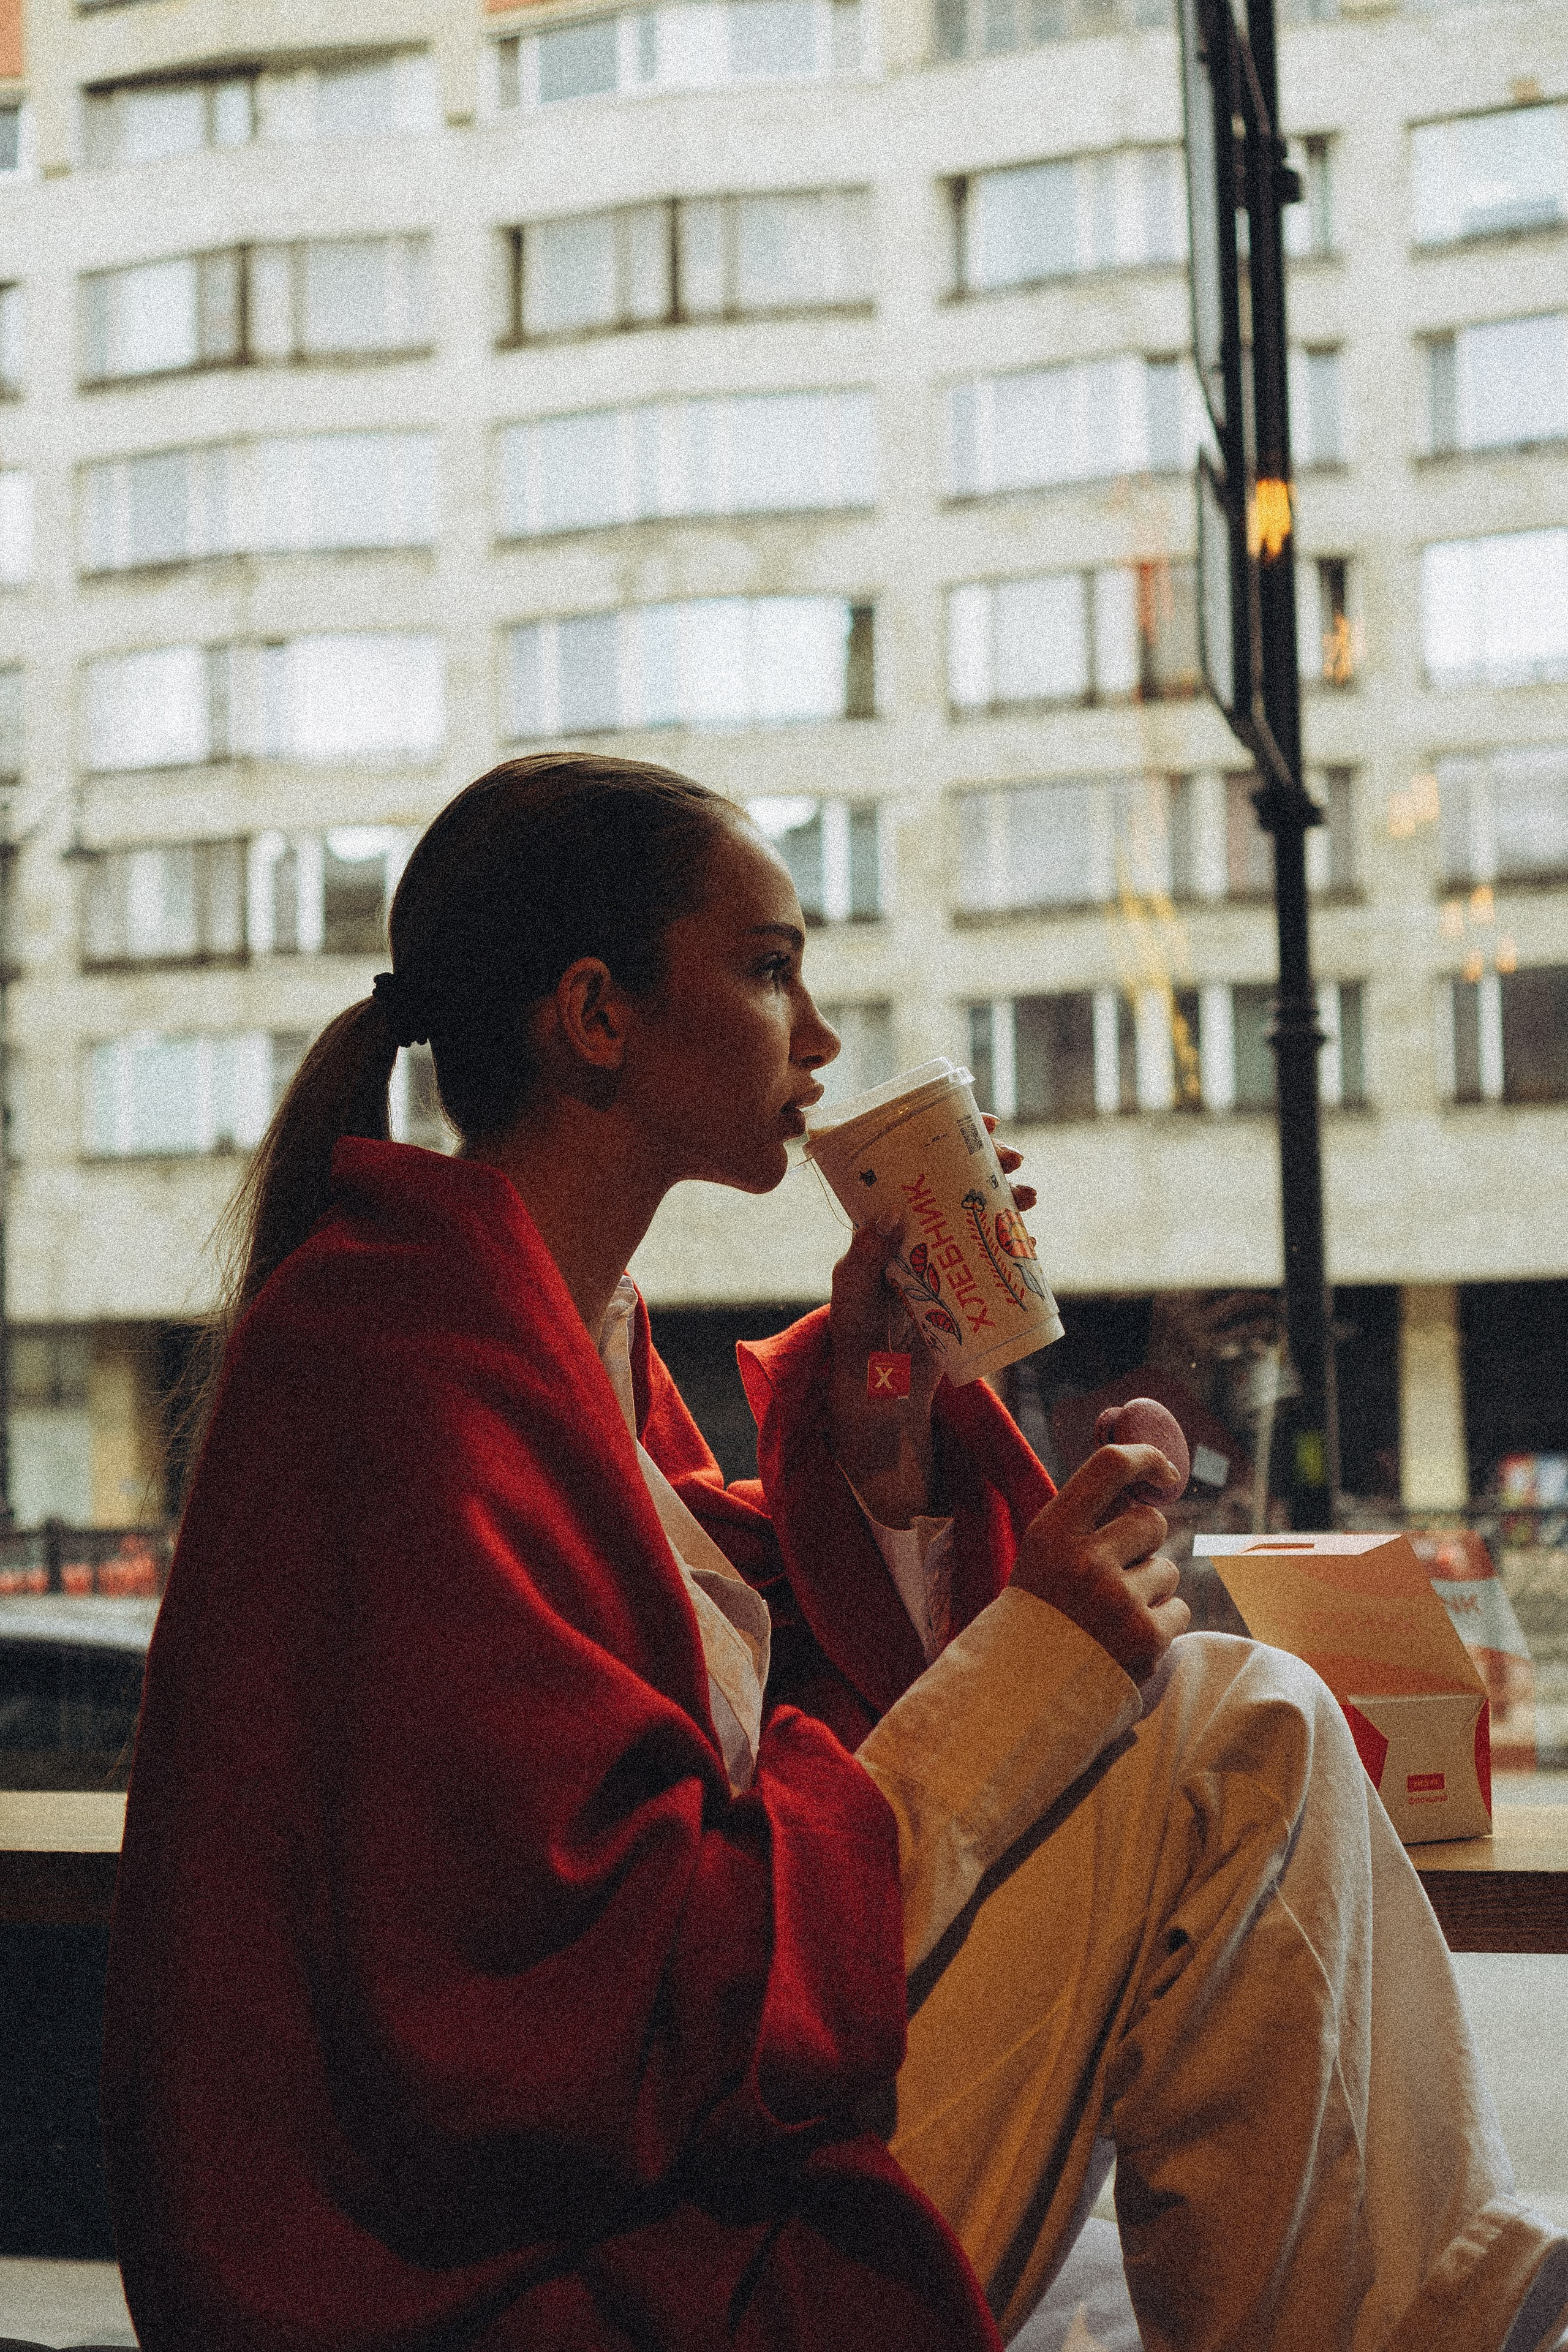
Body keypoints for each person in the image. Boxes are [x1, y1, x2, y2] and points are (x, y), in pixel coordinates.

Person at [102, 754, 1568, 2352]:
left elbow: (744, 1787)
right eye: (770, 968)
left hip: (630, 2186)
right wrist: (1045, 1646)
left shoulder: (547, 1343)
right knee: (1231, 1734)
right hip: (520, 2285)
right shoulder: (389, 1360)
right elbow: (609, 1980)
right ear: (598, 1015)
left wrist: (883, 1447)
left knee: (1226, 1724)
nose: (820, 1037)